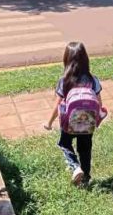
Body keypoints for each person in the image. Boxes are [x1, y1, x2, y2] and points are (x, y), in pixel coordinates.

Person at [44, 42, 105, 186]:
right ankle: (86, 177)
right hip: (87, 122)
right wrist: (98, 117)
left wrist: (49, 122)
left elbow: (58, 104)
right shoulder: (92, 79)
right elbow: (99, 103)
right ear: (85, 59)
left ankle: (74, 166)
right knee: (85, 149)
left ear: (66, 59)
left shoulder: (64, 81)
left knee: (64, 144)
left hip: (69, 122)